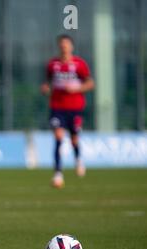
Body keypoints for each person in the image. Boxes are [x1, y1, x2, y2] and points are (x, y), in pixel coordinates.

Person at [40, 34, 94, 188]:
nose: (64, 47)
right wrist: (46, 88)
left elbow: (90, 83)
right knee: (58, 136)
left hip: (75, 107)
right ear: (59, 46)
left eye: (66, 44)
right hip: (57, 107)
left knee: (74, 139)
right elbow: (48, 83)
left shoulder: (79, 64)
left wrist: (78, 88)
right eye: (62, 44)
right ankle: (58, 174)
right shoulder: (53, 64)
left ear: (71, 46)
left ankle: (78, 159)